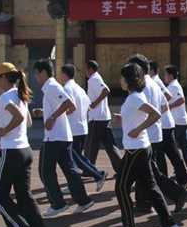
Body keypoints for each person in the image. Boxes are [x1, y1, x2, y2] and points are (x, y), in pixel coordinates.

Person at [111, 63, 182, 227]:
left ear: (128, 79)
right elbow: (140, 115)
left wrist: (137, 129)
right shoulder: (133, 98)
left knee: (121, 188)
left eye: (122, 77)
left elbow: (156, 114)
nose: (120, 80)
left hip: (137, 149)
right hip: (139, 148)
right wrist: (124, 119)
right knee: (151, 187)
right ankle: (168, 224)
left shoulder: (135, 97)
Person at [0, 62, 49, 227]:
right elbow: (28, 122)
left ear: (3, 78)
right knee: (24, 195)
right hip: (25, 150)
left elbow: (20, 118)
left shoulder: (6, 96)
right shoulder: (21, 95)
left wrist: (4, 130)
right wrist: (2, 124)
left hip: (11, 151)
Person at [127, 54, 187, 213]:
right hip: (152, 133)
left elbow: (154, 110)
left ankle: (176, 193)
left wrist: (139, 126)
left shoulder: (145, 85)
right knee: (146, 171)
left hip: (147, 135)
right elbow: (163, 105)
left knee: (150, 172)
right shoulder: (154, 84)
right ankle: (143, 202)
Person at [33, 60, 94, 217]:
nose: (35, 77)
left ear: (43, 72)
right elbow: (70, 107)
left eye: (36, 73)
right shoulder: (52, 87)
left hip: (54, 138)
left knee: (45, 171)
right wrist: (47, 113)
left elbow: (68, 103)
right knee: (69, 170)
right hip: (62, 136)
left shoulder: (52, 86)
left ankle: (58, 204)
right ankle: (84, 201)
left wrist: (53, 117)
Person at [58, 64, 107, 191]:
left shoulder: (67, 88)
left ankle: (98, 175)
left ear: (64, 74)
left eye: (60, 73)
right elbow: (88, 105)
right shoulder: (79, 88)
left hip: (73, 129)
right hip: (82, 127)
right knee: (75, 158)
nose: (60, 76)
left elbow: (71, 107)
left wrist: (58, 115)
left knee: (76, 158)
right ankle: (75, 184)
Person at [148, 60, 187, 189]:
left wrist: (161, 107)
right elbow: (167, 95)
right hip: (165, 123)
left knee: (161, 153)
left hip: (164, 124)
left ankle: (165, 182)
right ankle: (182, 179)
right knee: (171, 152)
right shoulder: (156, 81)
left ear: (151, 70)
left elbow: (168, 96)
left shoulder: (154, 81)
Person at [163, 65, 187, 176]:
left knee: (175, 146)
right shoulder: (172, 86)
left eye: (165, 74)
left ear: (170, 75)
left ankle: (181, 169)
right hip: (180, 121)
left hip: (178, 121)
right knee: (184, 145)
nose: (164, 77)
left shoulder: (173, 86)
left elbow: (181, 100)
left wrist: (169, 107)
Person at [85, 60, 121, 172]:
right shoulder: (96, 78)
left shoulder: (93, 79)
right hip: (103, 118)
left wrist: (94, 103)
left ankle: (88, 169)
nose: (85, 71)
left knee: (91, 145)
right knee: (110, 145)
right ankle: (121, 167)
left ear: (90, 69)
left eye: (86, 69)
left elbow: (106, 91)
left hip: (97, 118)